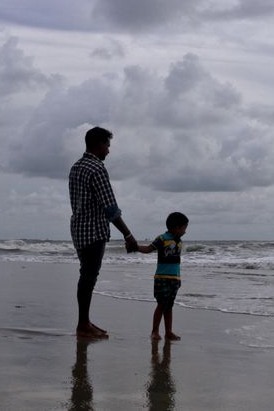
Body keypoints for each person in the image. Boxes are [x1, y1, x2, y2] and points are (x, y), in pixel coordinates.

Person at [69, 126, 138, 339]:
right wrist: (128, 235)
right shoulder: (97, 169)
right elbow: (110, 208)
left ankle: (84, 322)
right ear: (98, 144)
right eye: (107, 145)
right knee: (89, 277)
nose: (108, 150)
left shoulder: (76, 167)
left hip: (78, 229)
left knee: (86, 275)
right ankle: (82, 325)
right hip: (93, 231)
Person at [137, 212, 188, 341]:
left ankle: (168, 332)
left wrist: (179, 278)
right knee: (161, 304)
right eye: (184, 228)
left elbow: (177, 262)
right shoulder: (162, 239)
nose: (185, 231)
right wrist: (135, 247)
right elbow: (148, 249)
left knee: (169, 306)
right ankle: (154, 331)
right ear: (176, 227)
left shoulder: (179, 241)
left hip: (174, 279)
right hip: (162, 278)